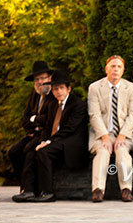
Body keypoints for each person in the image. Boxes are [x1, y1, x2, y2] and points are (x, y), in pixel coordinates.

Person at [20, 70, 88, 202]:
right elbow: (47, 127)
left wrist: (49, 142)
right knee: (31, 150)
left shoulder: (77, 104)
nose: (59, 92)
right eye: (55, 89)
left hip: (71, 142)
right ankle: (28, 190)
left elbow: (70, 129)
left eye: (61, 88)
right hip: (56, 140)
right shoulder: (52, 105)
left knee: (44, 152)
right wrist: (44, 140)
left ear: (68, 89)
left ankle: (48, 192)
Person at [87, 55, 133, 203]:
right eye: (112, 66)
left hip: (125, 133)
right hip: (102, 133)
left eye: (119, 67)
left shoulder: (131, 88)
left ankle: (126, 189)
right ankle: (97, 190)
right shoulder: (95, 87)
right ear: (106, 69)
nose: (115, 69)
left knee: (122, 151)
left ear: (123, 70)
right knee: (103, 152)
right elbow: (94, 114)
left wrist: (123, 135)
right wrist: (104, 136)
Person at [9, 61, 52, 199]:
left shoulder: (55, 95)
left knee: (30, 150)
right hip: (33, 134)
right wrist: (35, 120)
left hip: (47, 134)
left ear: (49, 78)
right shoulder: (34, 95)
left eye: (43, 78)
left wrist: (34, 119)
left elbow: (48, 120)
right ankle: (24, 186)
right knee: (14, 152)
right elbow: (24, 121)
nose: (40, 82)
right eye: (37, 79)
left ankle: (29, 190)